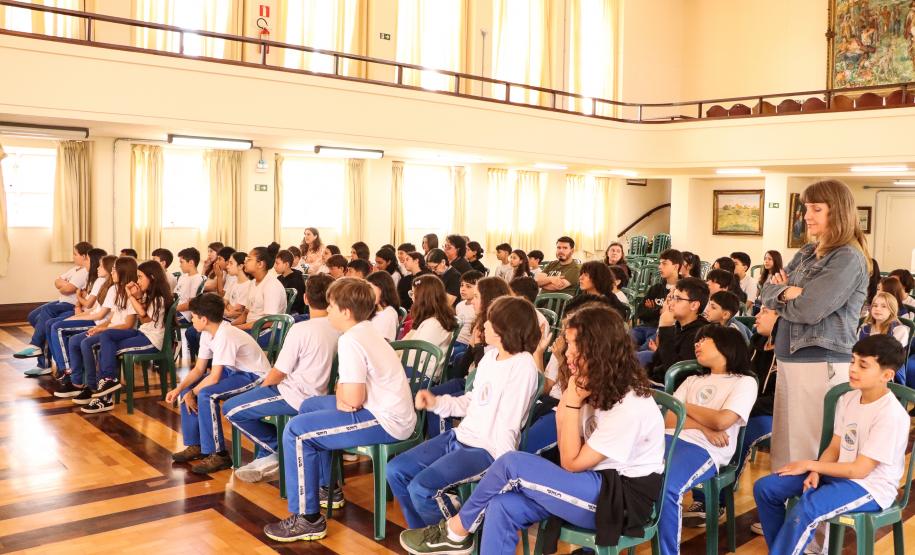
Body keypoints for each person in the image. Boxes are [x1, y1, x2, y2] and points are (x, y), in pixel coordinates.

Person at [398, 305, 665, 555]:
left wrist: (571, 402)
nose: (566, 353)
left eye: (575, 346)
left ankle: (456, 532)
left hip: (619, 498)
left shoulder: (628, 404)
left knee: (511, 463)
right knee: (501, 506)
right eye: (568, 343)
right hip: (589, 480)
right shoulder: (589, 384)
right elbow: (565, 439)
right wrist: (569, 400)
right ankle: (457, 533)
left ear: (599, 350)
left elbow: (571, 462)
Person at [262, 278, 417, 542]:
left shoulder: (351, 340)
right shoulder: (364, 330)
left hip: (386, 420)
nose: (328, 310)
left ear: (346, 312)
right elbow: (346, 393)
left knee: (297, 432)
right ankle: (326, 487)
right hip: (379, 408)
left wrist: (345, 395)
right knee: (309, 405)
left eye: (332, 306)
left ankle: (307, 518)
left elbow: (352, 399)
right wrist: (344, 395)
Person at [387, 296, 541, 529]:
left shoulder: (522, 365)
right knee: (396, 470)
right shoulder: (490, 357)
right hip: (461, 436)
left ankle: (456, 536)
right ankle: (425, 533)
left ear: (506, 328)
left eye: (491, 321)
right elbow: (472, 401)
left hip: (486, 450)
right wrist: (437, 403)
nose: (484, 324)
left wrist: (504, 470)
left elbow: (508, 423)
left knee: (422, 488)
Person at [753, 335, 908, 555]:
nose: (853, 369)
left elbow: (860, 470)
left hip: (870, 486)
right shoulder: (848, 399)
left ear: (887, 375)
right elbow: (835, 447)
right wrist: (817, 470)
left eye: (863, 365)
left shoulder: (891, 414)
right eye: (853, 361)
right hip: (839, 473)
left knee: (808, 507)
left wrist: (810, 465)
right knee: (766, 488)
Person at [758, 179, 870, 476]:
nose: (806, 216)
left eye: (816, 209)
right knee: (785, 447)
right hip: (791, 358)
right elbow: (766, 290)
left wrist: (787, 294)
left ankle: (808, 505)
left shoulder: (847, 257)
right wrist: (788, 292)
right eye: (806, 208)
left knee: (809, 449)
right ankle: (784, 498)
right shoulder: (808, 251)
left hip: (821, 360)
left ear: (839, 211)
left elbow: (810, 309)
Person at [223, 275, 339, 483]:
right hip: (326, 397)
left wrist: (262, 387)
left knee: (231, 409)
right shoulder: (341, 328)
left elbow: (279, 372)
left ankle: (277, 449)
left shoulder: (302, 329)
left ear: (305, 298)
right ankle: (267, 457)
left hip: (295, 395)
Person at [658, 325, 757, 555]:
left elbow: (722, 421)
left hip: (705, 448)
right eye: (697, 340)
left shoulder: (744, 382)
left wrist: (683, 407)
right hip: (668, 437)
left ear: (726, 345)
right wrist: (704, 427)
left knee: (668, 486)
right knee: (624, 471)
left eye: (704, 339)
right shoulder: (692, 380)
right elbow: (667, 419)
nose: (697, 344)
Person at [685, 306, 780, 528]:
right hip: (739, 405)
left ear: (781, 318)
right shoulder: (757, 342)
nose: (757, 315)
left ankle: (716, 500)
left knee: (739, 436)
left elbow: (777, 399)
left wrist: (738, 408)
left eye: (766, 312)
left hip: (768, 412)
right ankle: (702, 496)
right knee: (719, 427)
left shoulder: (788, 352)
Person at [168, 293, 272, 474]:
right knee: (188, 390)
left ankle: (219, 454)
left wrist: (192, 392)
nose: (191, 320)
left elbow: (214, 377)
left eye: (194, 316)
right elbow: (199, 369)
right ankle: (198, 445)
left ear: (204, 319)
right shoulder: (207, 333)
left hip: (254, 375)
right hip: (234, 372)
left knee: (206, 394)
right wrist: (180, 389)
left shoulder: (225, 335)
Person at [84, 260, 173, 413]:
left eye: (140, 277)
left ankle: (105, 395)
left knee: (106, 350)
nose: (138, 280)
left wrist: (131, 296)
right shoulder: (150, 294)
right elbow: (144, 318)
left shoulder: (159, 298)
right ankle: (108, 382)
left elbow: (144, 317)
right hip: (142, 334)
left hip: (151, 341)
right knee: (107, 337)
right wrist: (138, 296)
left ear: (152, 277)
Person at [65, 256, 137, 405]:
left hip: (121, 333)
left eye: (115, 270)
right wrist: (99, 327)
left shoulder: (131, 293)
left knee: (86, 343)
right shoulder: (116, 289)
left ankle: (92, 386)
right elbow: (112, 318)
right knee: (75, 340)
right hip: (110, 329)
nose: (112, 273)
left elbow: (128, 324)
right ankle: (77, 382)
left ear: (123, 272)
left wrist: (104, 329)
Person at [16, 241, 92, 365]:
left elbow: (66, 290)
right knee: (33, 316)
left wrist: (65, 286)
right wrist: (66, 286)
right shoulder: (74, 269)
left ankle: (37, 348)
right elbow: (57, 282)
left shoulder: (84, 272)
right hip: (62, 301)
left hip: (70, 304)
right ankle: (40, 349)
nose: (73, 257)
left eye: (75, 254)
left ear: (84, 256)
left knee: (46, 317)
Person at [50, 253, 115, 394]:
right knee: (59, 326)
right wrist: (73, 318)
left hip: (98, 323)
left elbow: (100, 315)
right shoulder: (104, 284)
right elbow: (93, 309)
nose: (97, 268)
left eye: (101, 266)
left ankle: (68, 371)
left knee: (58, 328)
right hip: (94, 318)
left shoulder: (112, 288)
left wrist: (76, 313)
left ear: (109, 269)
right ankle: (76, 379)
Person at [645, 277, 710, 382]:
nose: (671, 303)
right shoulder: (679, 326)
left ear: (694, 305)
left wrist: (665, 328)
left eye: (678, 299)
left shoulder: (700, 334)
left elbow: (676, 374)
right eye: (672, 297)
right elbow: (657, 360)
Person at [402, 274, 458, 380]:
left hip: (421, 376)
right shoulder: (432, 318)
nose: (412, 298)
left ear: (424, 297)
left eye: (414, 294)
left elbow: (411, 359)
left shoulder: (434, 324)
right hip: (416, 371)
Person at [233, 247, 288, 348]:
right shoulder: (253, 283)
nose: (245, 261)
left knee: (230, 340)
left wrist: (239, 328)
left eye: (249, 259)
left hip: (270, 330)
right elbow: (245, 313)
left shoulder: (271, 285)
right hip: (251, 327)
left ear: (260, 264)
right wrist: (231, 325)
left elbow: (269, 321)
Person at [631, 249, 683, 348]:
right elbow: (640, 312)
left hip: (662, 330)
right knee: (620, 344)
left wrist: (653, 309)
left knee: (641, 352)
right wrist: (659, 310)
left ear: (676, 267)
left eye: (664, 264)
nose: (659, 267)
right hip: (644, 327)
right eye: (660, 263)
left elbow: (675, 317)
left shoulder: (682, 291)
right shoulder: (656, 288)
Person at [452, 270, 482, 366]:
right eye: (462, 285)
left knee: (451, 354)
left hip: (466, 344)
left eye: (468, 286)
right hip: (455, 340)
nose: (463, 289)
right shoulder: (459, 305)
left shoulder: (477, 308)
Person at [367, 271, 401, 341]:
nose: (367, 293)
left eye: (371, 288)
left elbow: (380, 343)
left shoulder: (388, 315)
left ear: (382, 289)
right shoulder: (376, 309)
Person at [175, 247, 205, 327]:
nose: (180, 265)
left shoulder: (197, 279)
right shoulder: (183, 277)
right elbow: (175, 294)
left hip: (184, 314)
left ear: (191, 262)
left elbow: (190, 304)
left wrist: (172, 308)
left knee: (159, 318)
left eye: (182, 262)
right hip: (176, 309)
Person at [275, 250, 307, 315]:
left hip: (294, 313)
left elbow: (297, 303)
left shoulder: (297, 279)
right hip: (281, 310)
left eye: (277, 263)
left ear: (286, 264)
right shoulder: (279, 279)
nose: (274, 266)